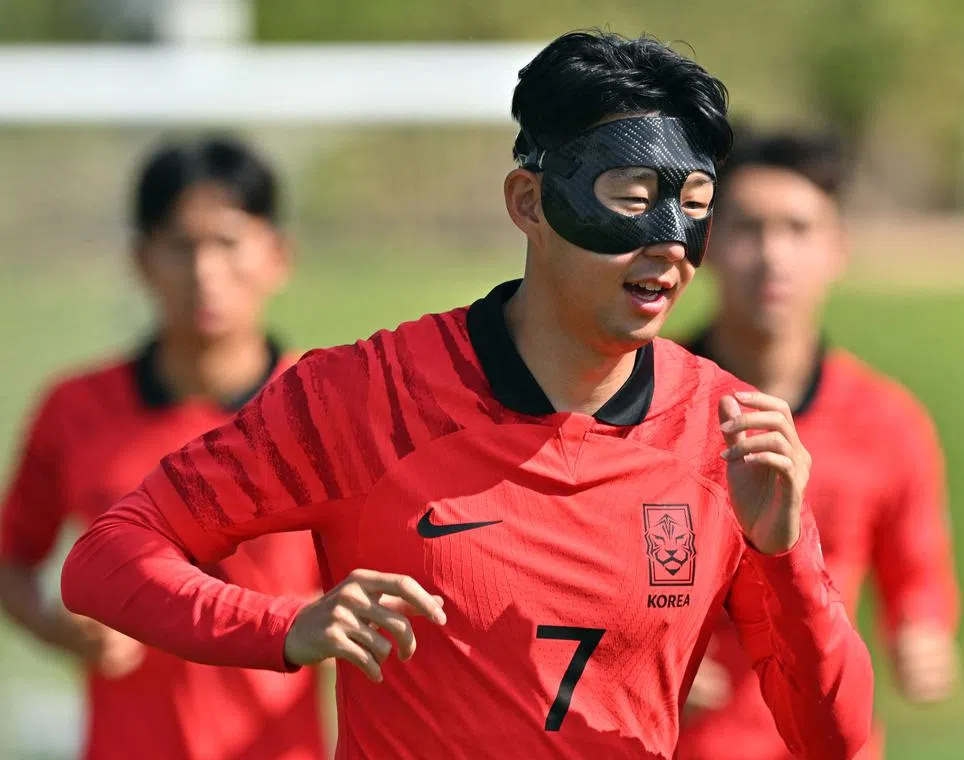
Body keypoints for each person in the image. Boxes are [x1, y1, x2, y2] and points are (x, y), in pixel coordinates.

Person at [59, 32, 874, 760]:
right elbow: (106, 560)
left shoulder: (724, 436)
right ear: (529, 204)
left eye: (693, 205)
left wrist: (786, 554)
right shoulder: (363, 396)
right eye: (631, 196)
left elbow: (832, 740)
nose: (667, 239)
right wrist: (284, 627)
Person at [0, 137, 327, 760]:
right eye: (181, 245)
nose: (204, 271)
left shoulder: (323, 410)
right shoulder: (75, 410)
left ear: (276, 256)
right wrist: (57, 627)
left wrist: (303, 622)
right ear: (142, 260)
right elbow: (12, 560)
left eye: (228, 243)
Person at [674, 128, 960, 760]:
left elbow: (917, 570)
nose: (773, 255)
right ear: (708, 246)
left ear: (838, 249)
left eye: (799, 230)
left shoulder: (888, 421)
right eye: (749, 229)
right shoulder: (645, 409)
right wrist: (635, 656)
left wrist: (923, 632)